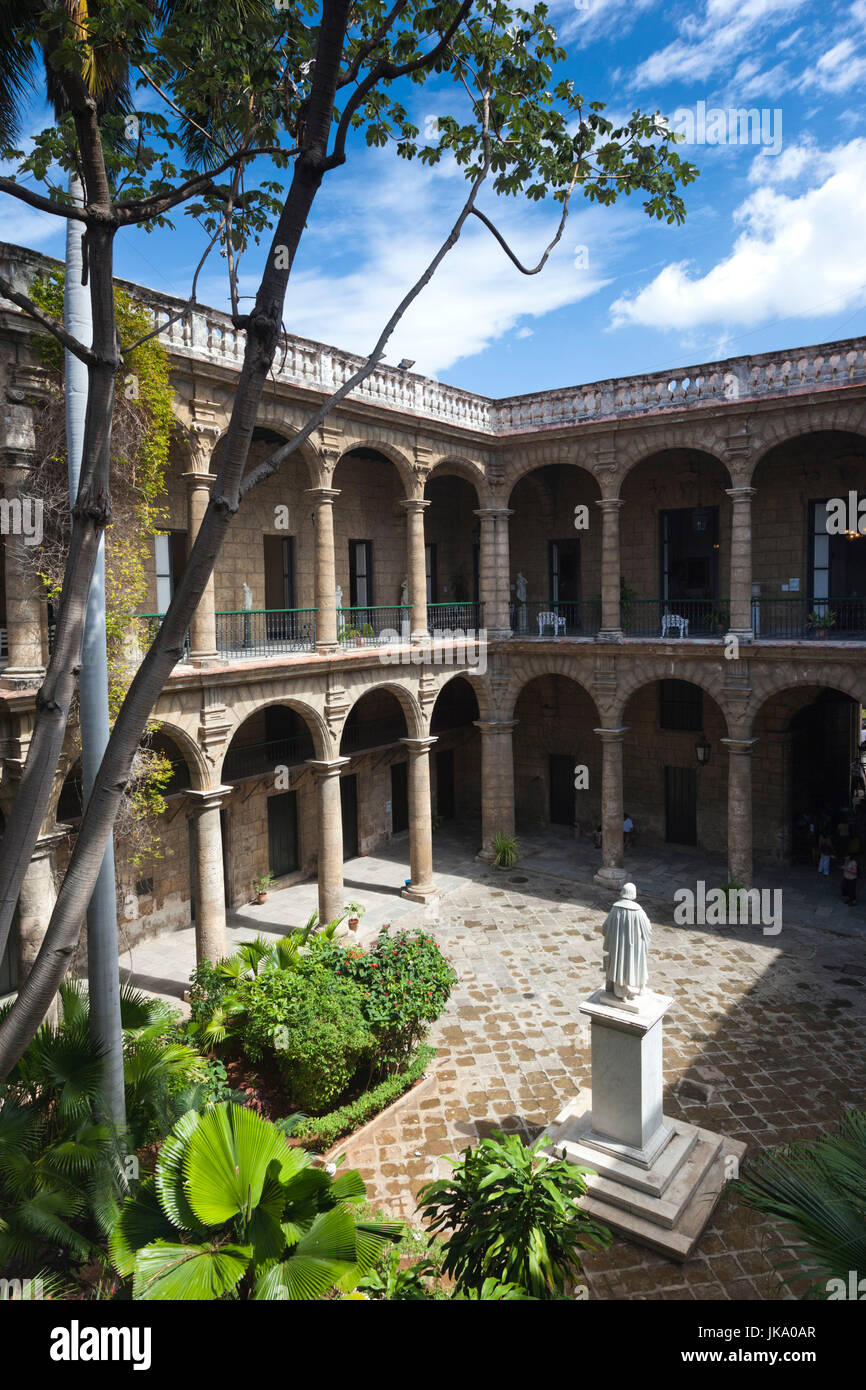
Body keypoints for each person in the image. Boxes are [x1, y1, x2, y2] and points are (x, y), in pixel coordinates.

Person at [601, 882, 652, 1001]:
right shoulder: (638, 911)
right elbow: (648, 929)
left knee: (619, 967)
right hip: (635, 948)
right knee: (637, 965)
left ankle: (621, 993)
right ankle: (640, 987)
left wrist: (613, 938)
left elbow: (605, 927)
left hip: (619, 948)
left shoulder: (615, 909)